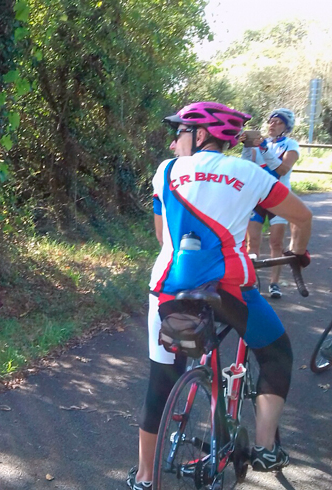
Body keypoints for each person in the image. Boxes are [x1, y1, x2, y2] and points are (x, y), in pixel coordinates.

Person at [126, 102, 312, 490]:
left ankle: (145, 477)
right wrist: (298, 252)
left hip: (169, 289)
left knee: (161, 380)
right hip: (229, 290)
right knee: (277, 354)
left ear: (200, 134)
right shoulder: (252, 173)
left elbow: (163, 238)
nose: (175, 139)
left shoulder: (165, 171)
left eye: (180, 132)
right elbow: (302, 217)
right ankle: (264, 447)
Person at [241, 108, 301, 299]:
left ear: (286, 127)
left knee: (276, 242)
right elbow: (247, 166)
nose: (272, 124)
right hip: (257, 198)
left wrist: (265, 150)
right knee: (253, 243)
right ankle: (252, 284)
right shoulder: (259, 143)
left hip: (280, 198)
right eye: (271, 121)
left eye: (278, 122)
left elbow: (283, 169)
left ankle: (274, 284)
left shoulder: (291, 145)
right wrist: (247, 146)